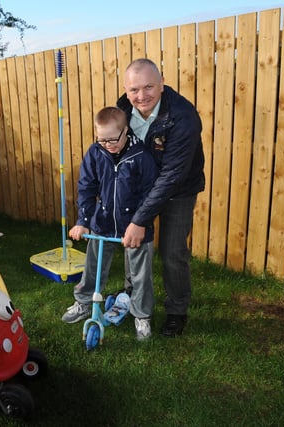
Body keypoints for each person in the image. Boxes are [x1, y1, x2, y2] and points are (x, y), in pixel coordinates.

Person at [116, 58, 205, 337]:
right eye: (134, 90)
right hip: (139, 188)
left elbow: (172, 175)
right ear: (126, 90)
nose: (141, 96)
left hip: (178, 189)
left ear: (162, 83)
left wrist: (140, 218)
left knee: (172, 252)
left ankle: (177, 310)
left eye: (148, 87)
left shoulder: (182, 116)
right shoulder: (122, 109)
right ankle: (131, 295)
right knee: (133, 244)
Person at [61, 107, 158, 340]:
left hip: (134, 225)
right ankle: (84, 303)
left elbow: (149, 194)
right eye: (102, 139)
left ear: (126, 130)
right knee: (93, 266)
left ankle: (141, 315)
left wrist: (140, 222)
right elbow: (86, 187)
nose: (108, 144)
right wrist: (84, 221)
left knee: (139, 274)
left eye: (113, 139)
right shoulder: (95, 153)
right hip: (103, 222)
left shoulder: (141, 156)